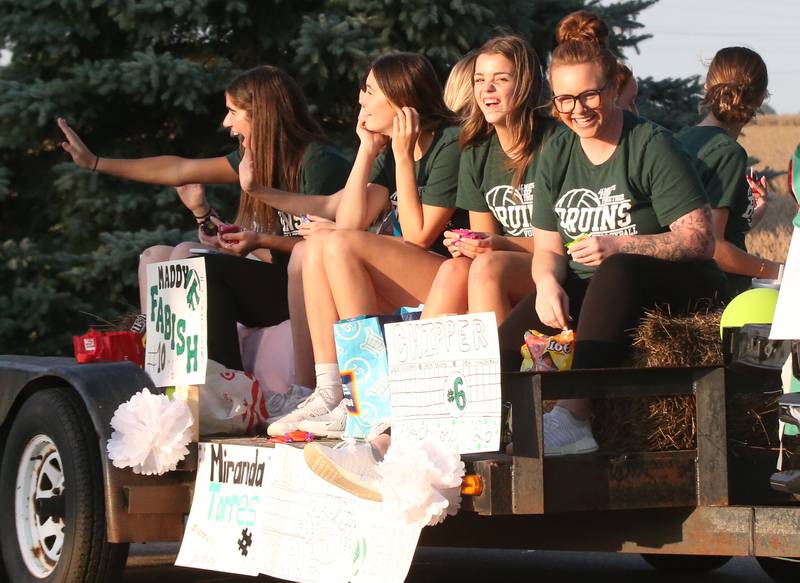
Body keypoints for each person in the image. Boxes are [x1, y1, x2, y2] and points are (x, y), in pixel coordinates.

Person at [495, 17, 726, 457]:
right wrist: (545, 284)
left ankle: (576, 415)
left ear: (613, 88)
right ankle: (500, 424)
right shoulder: (556, 153)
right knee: (508, 343)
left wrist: (620, 244)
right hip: (594, 285)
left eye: (589, 95)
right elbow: (547, 246)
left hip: (676, 282)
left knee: (616, 269)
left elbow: (700, 240)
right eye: (564, 100)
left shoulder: (651, 145)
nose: (577, 109)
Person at [58, 65, 351, 392]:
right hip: (277, 280)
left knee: (198, 263)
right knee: (166, 256)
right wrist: (96, 162)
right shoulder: (252, 157)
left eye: (232, 112)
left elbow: (329, 245)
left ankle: (227, 388)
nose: (226, 122)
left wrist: (257, 241)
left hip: (308, 288)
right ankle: (168, 381)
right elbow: (180, 168)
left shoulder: (319, 162)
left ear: (262, 114)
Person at [266, 52, 465, 439]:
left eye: (370, 90)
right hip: (410, 276)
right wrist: (367, 149)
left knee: (337, 244)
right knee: (317, 247)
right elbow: (350, 223)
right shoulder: (388, 147)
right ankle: (331, 390)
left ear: (400, 98)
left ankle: (370, 394)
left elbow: (419, 236)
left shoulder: (449, 143)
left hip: (447, 281)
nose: (361, 100)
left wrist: (404, 158)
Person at [421, 35, 553, 325]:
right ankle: (416, 369)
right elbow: (486, 238)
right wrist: (472, 245)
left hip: (555, 266)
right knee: (454, 269)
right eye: (479, 80)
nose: (487, 89)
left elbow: (567, 241)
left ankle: (502, 369)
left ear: (525, 84)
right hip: (507, 262)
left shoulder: (556, 142)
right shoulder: (476, 150)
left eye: (500, 79)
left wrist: (495, 246)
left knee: (487, 266)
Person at [675, 47, 781, 295]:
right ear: (762, 96)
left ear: (706, 86)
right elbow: (713, 247)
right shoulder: (728, 153)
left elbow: (697, 226)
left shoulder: (679, 140)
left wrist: (754, 212)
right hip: (718, 295)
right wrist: (779, 271)